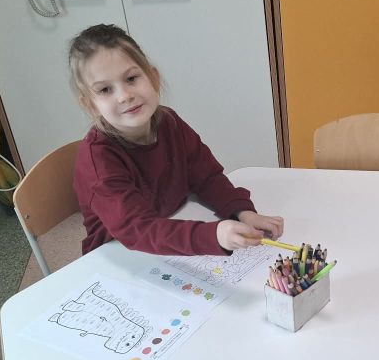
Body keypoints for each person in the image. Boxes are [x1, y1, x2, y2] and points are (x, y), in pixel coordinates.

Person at [70, 23, 283, 256]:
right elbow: (138, 229)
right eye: (105, 90)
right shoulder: (99, 160)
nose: (124, 96)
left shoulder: (169, 122)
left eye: (131, 78)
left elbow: (207, 177)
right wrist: (212, 235)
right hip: (117, 253)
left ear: (153, 78)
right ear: (91, 105)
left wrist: (241, 211)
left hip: (171, 232)